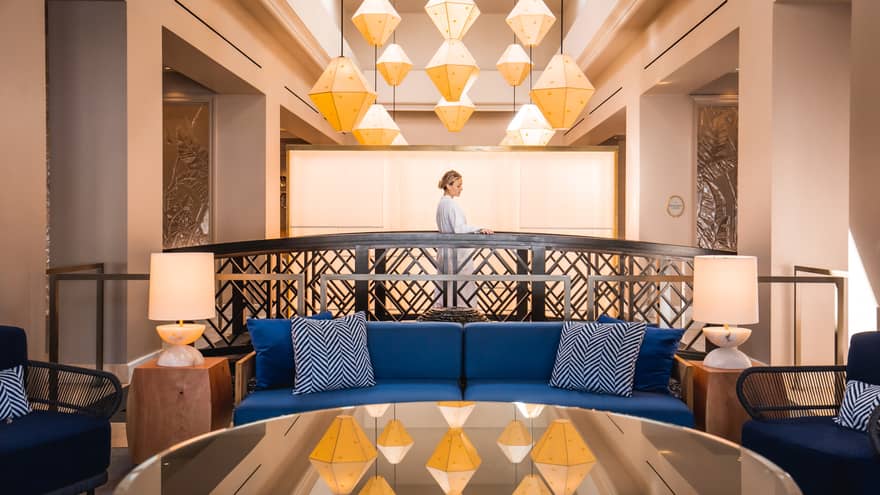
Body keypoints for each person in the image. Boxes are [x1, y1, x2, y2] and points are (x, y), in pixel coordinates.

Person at [435, 170, 493, 307]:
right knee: (462, 288)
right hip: (457, 256)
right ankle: (462, 317)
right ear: (448, 186)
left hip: (445, 252)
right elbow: (459, 228)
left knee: (446, 286)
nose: (461, 188)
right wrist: (479, 229)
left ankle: (444, 317)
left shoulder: (441, 204)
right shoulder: (451, 204)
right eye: (458, 185)